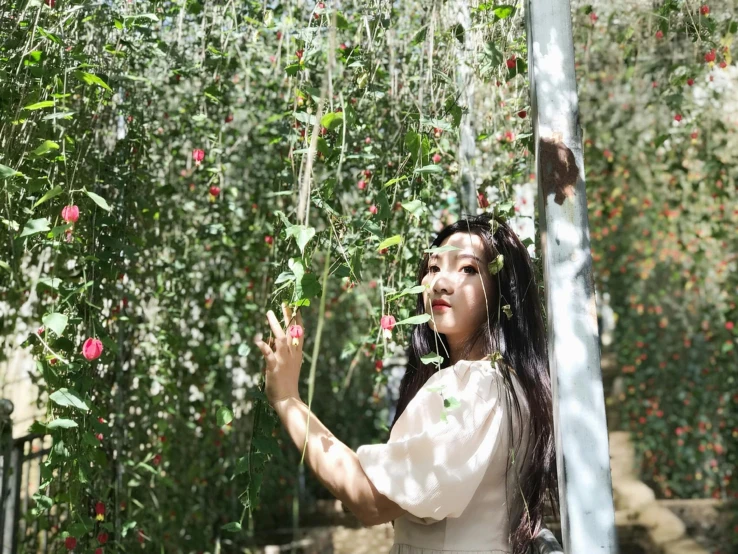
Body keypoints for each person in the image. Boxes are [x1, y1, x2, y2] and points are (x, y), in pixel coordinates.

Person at [255, 213, 562, 554]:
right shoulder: (504, 384)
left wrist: (286, 398)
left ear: (503, 292)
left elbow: (369, 500)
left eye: (468, 269)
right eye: (433, 268)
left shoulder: (474, 389)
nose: (442, 283)